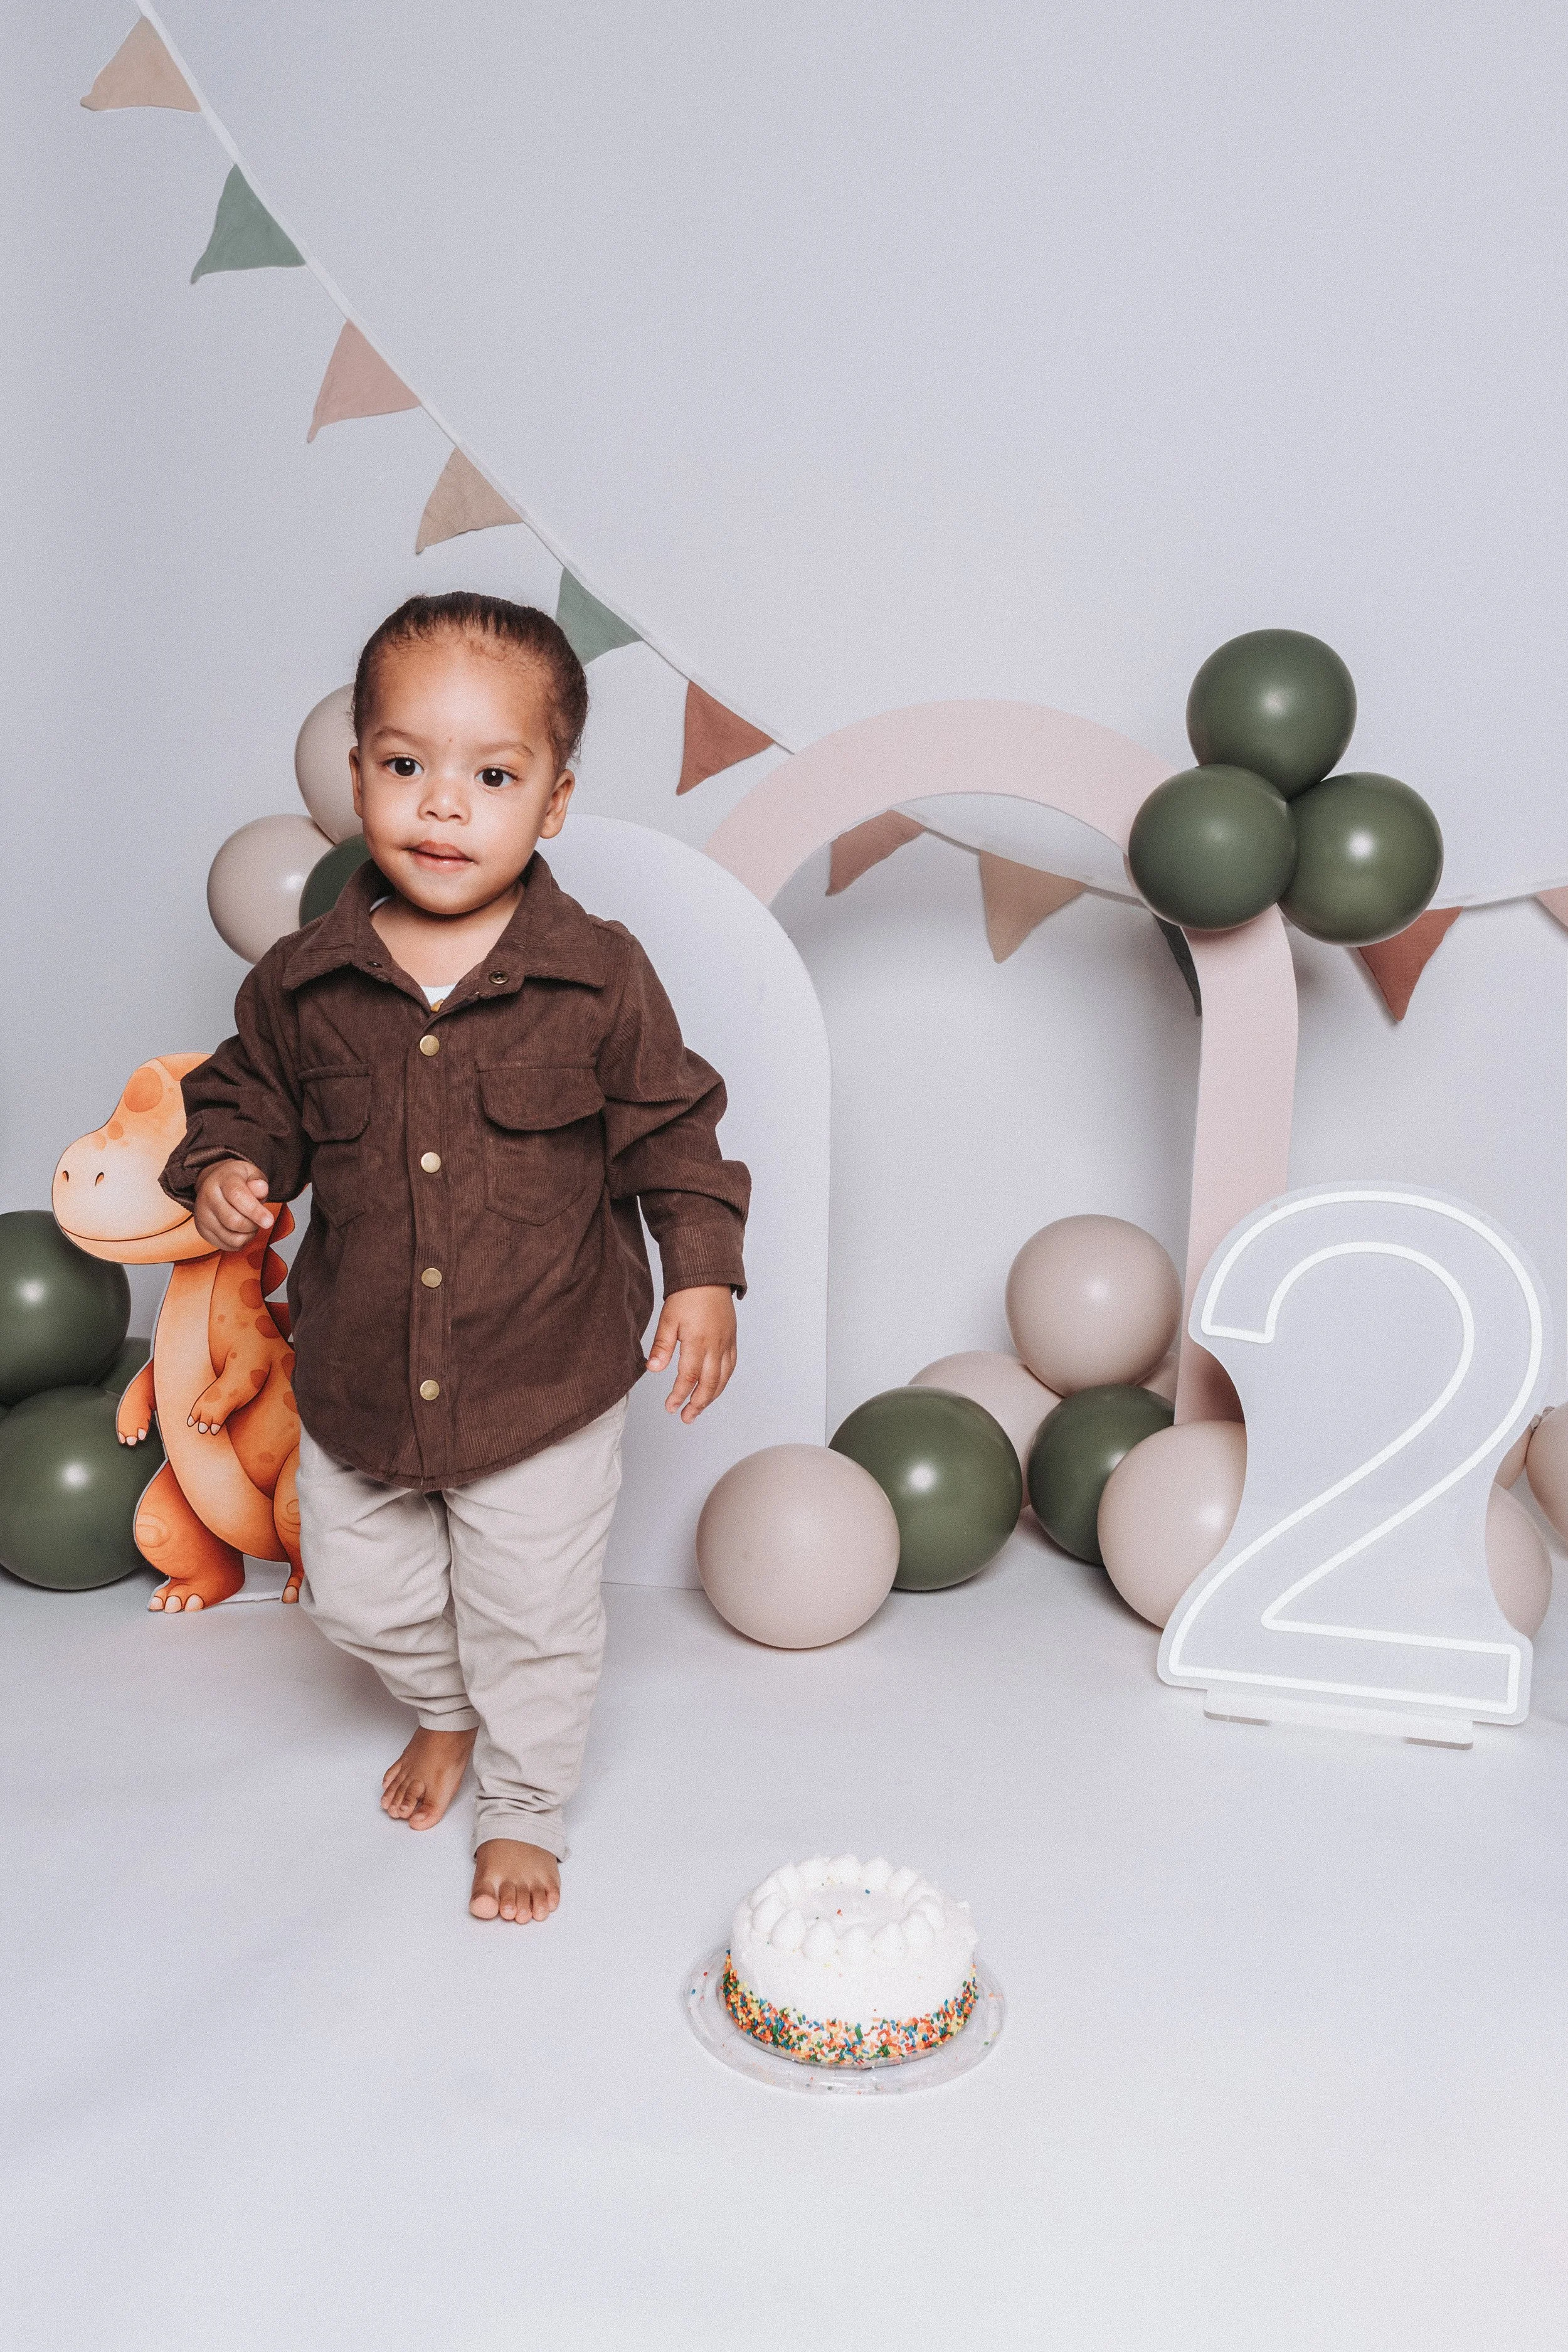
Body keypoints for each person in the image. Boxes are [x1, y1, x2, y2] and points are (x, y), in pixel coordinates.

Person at [159, 591, 750, 1923]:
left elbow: (674, 1126)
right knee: (349, 1601)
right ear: (358, 767)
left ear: (550, 804)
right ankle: (441, 1704)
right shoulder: (303, 980)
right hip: (362, 1373)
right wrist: (227, 1170)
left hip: (543, 1373)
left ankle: (525, 1805)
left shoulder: (598, 978)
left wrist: (701, 1269)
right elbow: (244, 1098)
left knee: (534, 1619)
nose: (442, 806)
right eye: (405, 765)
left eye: (490, 776)